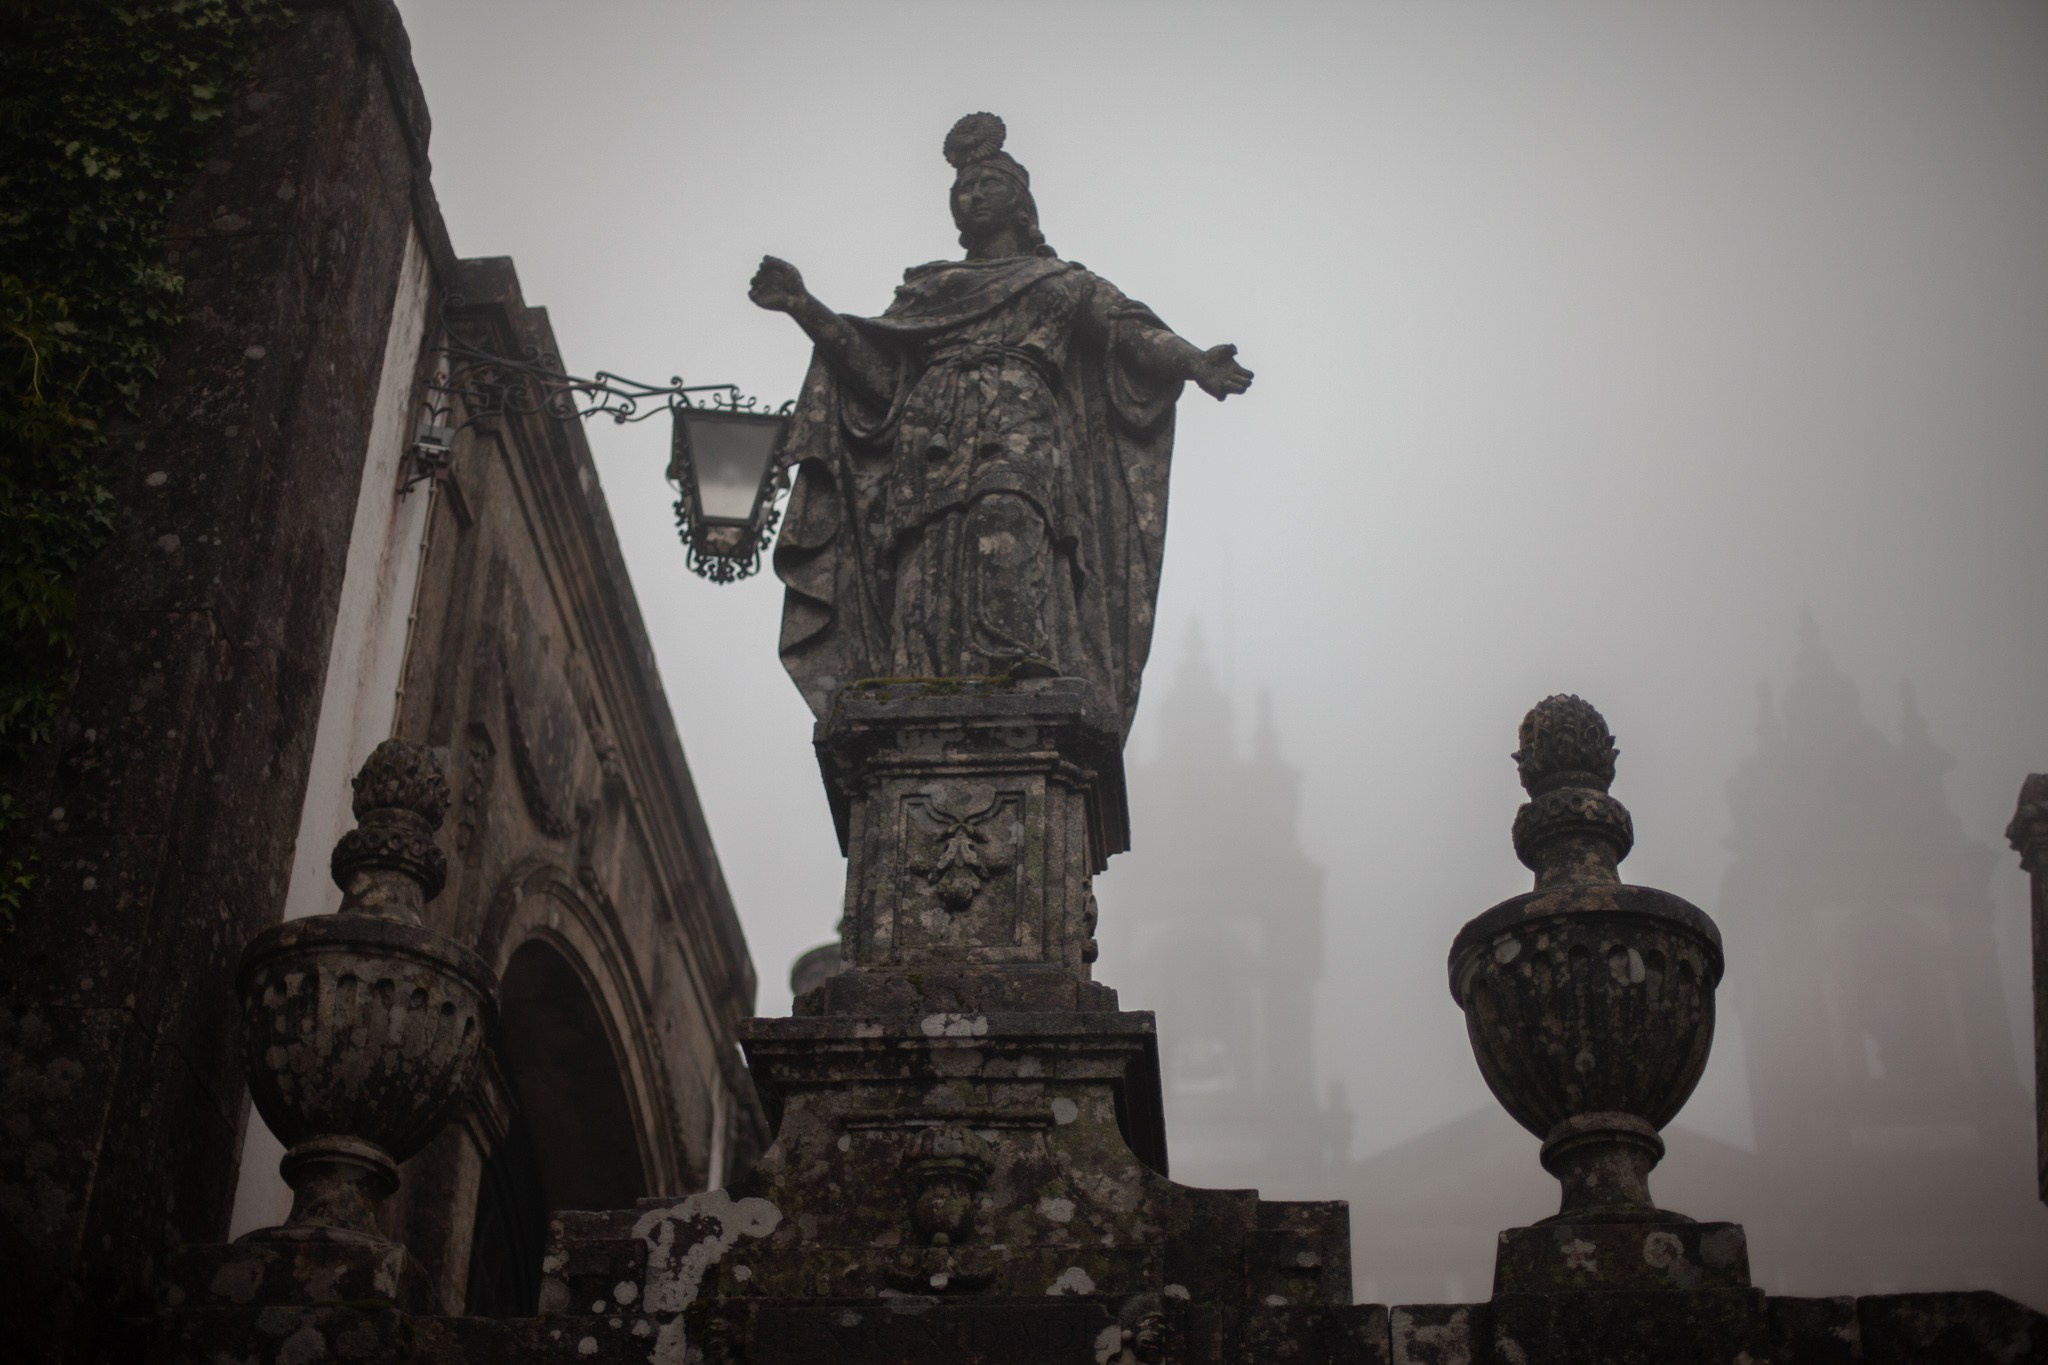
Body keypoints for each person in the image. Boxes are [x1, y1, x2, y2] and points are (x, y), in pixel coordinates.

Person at [751, 113, 1252, 736]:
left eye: (987, 184)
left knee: (1007, 518)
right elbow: (878, 383)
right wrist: (805, 307)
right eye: (963, 190)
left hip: (1018, 420)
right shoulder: (928, 291)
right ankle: (919, 670)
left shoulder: (1064, 283)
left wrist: (1195, 361)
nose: (972, 195)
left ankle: (1019, 665)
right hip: (928, 432)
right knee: (921, 554)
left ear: (1020, 200)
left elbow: (1131, 334)